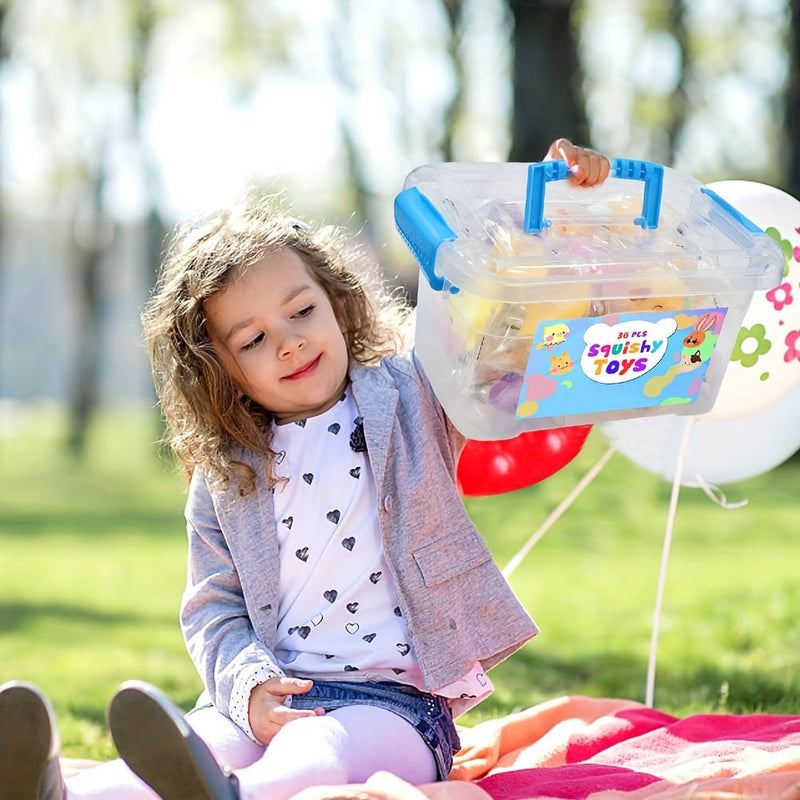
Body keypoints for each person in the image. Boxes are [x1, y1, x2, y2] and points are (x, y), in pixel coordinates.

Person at [0, 139, 610, 800]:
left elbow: (506, 325)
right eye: (254, 339)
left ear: (337, 303)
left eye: (301, 311)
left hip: (397, 709)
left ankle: (235, 795)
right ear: (220, 370)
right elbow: (213, 608)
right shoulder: (226, 473)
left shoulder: (415, 395)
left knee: (316, 747)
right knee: (206, 741)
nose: (289, 341)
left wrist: (558, 209)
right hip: (274, 696)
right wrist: (249, 689)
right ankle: (63, 795)